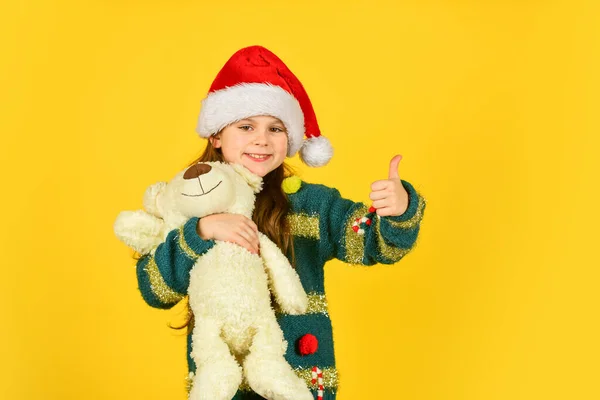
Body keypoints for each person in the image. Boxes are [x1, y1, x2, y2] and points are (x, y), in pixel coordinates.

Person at [133, 45, 426, 400]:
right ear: (216, 135)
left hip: (298, 382)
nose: (261, 139)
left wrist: (399, 208)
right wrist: (201, 233)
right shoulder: (189, 201)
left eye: (275, 128)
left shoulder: (311, 204)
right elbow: (155, 289)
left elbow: (373, 241)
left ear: (291, 138)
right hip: (224, 386)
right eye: (246, 126)